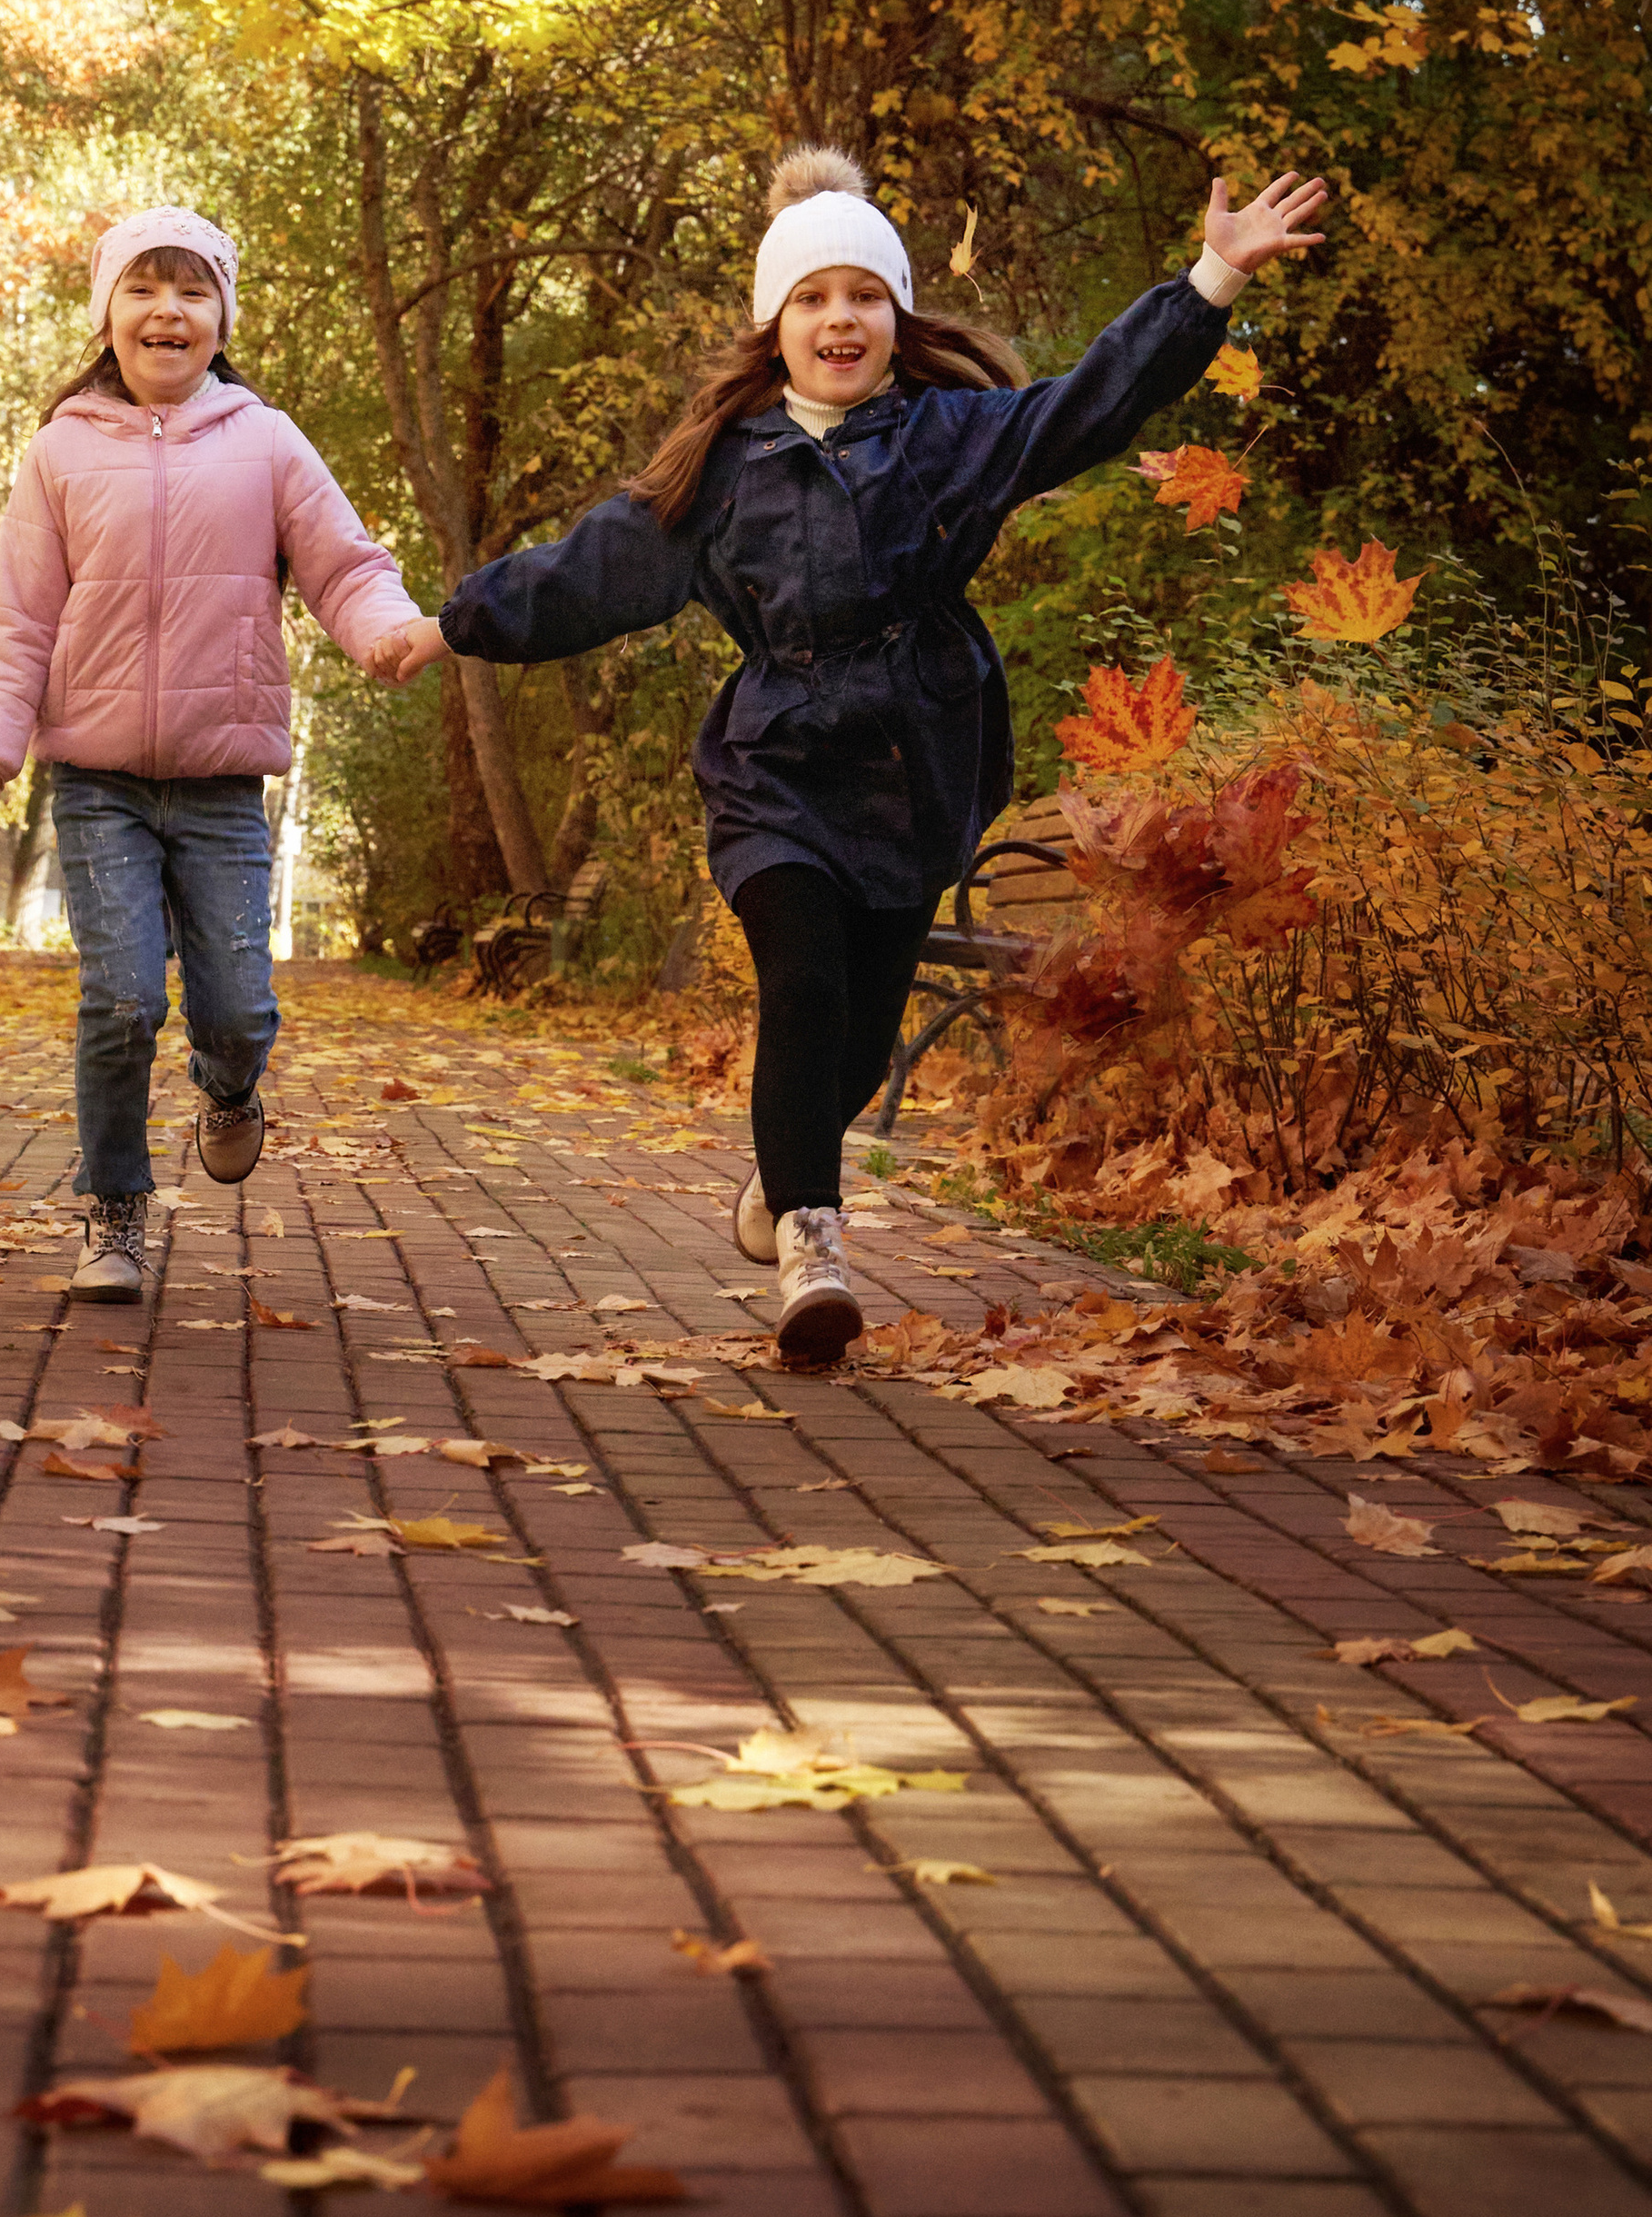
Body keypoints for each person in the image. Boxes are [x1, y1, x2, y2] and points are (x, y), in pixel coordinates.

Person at [375, 147, 1327, 1362]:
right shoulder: (722, 471)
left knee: (863, 1038)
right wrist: (446, 622)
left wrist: (1209, 280)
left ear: (897, 317)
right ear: (776, 325)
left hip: (914, 764)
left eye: (864, 297)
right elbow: (589, 574)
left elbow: (1089, 404)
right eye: (813, 298)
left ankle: (782, 1175)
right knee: (804, 980)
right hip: (775, 768)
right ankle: (811, 1244)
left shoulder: (951, 440)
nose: (840, 319)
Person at [0, 207, 423, 1297]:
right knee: (119, 999)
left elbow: (343, 565)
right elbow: (16, 623)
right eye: (143, 289)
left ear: (220, 316)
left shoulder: (266, 439)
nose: (168, 309)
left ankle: (230, 1089)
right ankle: (113, 1211)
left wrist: (385, 628)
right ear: (108, 318)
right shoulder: (59, 453)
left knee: (237, 1009)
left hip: (220, 785)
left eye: (192, 290)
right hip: (95, 784)